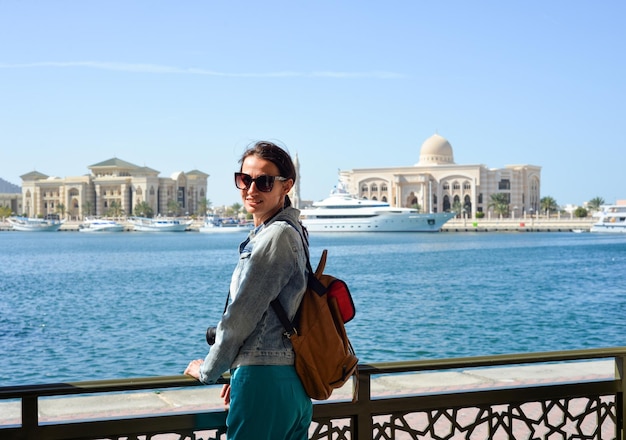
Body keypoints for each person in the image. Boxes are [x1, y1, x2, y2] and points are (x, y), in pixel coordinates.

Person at [185, 141, 312, 439]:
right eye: (244, 179)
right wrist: (239, 372)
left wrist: (210, 371)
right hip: (291, 380)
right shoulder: (293, 231)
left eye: (265, 181)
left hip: (264, 381)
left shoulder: (275, 237)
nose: (251, 189)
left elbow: (241, 316)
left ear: (286, 186)